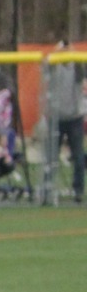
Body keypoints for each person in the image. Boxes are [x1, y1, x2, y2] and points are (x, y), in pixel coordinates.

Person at [48, 40, 84, 202]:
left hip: (74, 117)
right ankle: (48, 188)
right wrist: (57, 52)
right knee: (51, 156)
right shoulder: (54, 67)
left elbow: (80, 69)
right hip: (56, 118)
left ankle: (78, 190)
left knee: (78, 156)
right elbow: (47, 65)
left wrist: (71, 51)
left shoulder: (77, 68)